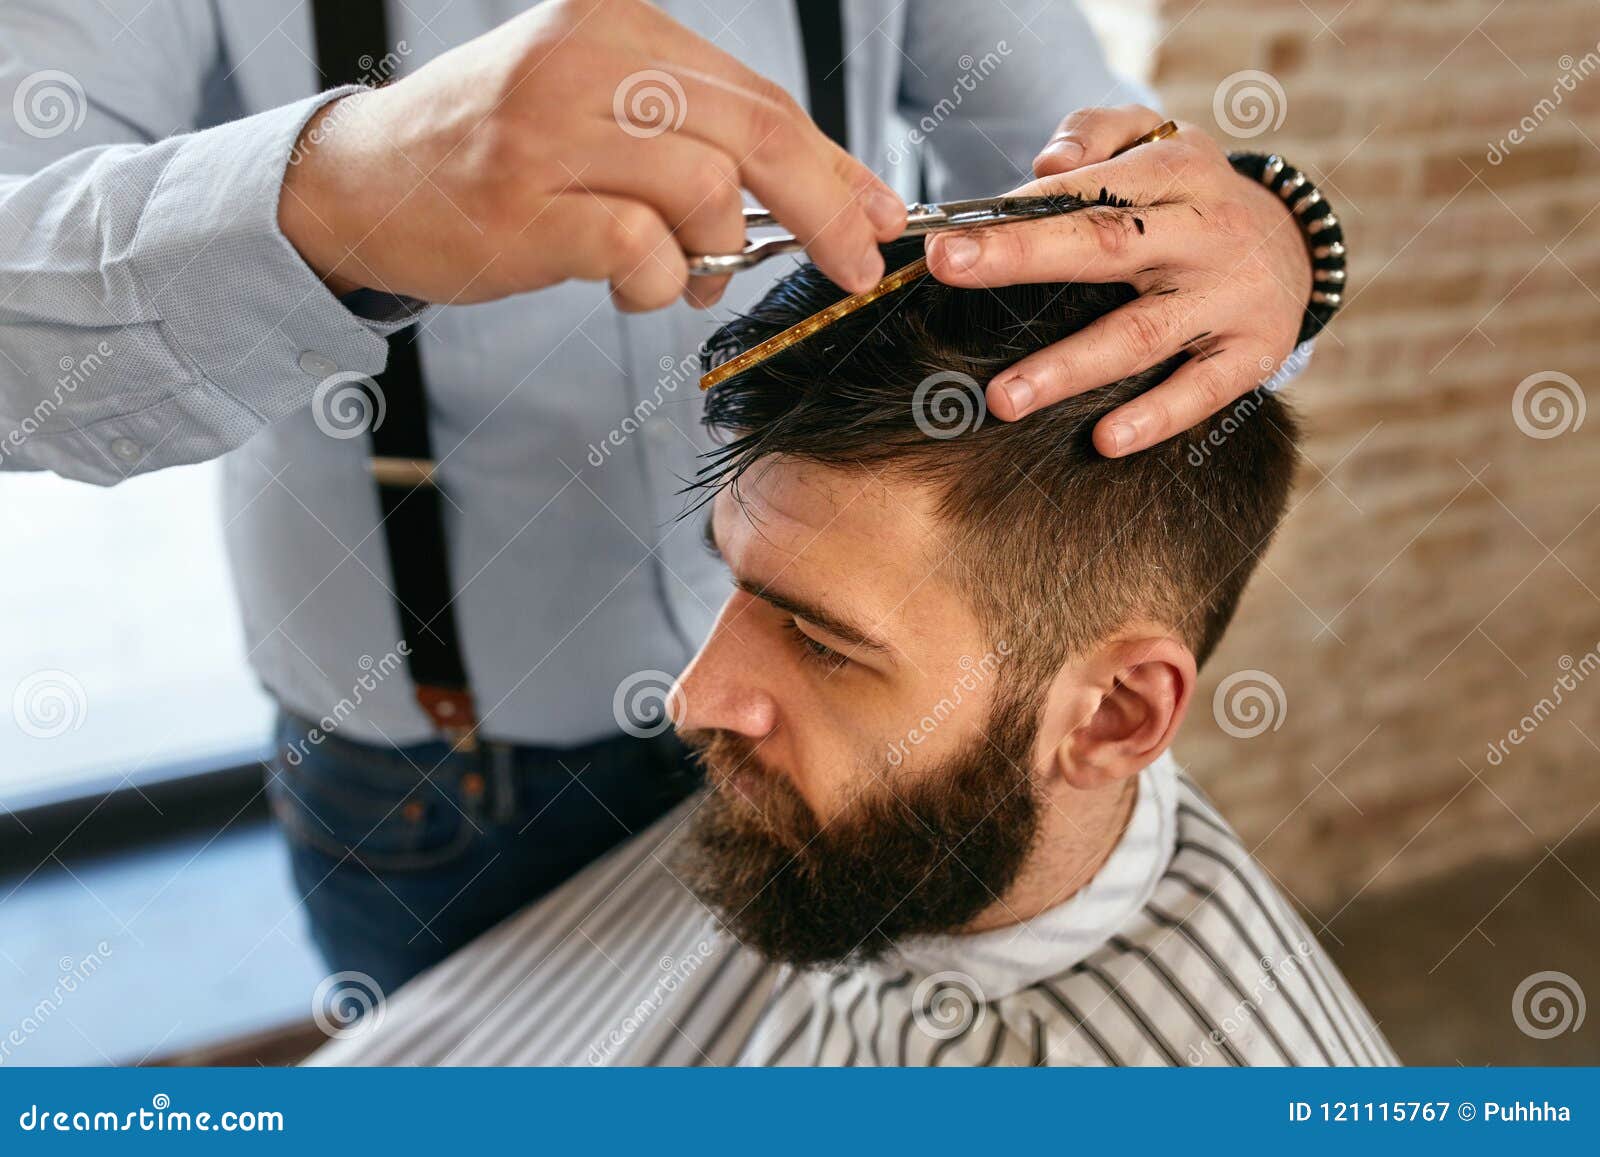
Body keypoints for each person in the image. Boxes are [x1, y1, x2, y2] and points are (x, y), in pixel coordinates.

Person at [0, 0, 1320, 991]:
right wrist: (340, 192)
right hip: (428, 776)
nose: (696, 692)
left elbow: (1103, 184)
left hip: (860, 736)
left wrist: (1275, 236)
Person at [308, 232, 1393, 1066]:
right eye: (734, 582)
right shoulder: (846, 835)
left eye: (824, 642)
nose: (692, 698)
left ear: (1112, 712)